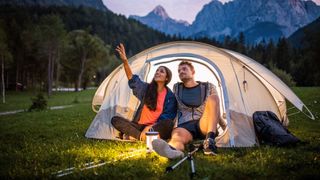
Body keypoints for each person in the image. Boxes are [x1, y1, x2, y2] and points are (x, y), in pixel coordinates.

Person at [152, 61, 222, 159]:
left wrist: (225, 128)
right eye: (179, 70)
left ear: (193, 72)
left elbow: (215, 108)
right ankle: (173, 151)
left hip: (203, 123)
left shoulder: (208, 87)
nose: (181, 72)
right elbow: (171, 107)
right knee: (177, 136)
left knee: (214, 98)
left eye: (184, 69)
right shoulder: (177, 88)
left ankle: (210, 142)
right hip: (185, 125)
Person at [111, 43, 177, 141]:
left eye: (161, 71)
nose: (157, 72)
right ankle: (142, 137)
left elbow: (168, 116)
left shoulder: (170, 96)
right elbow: (132, 80)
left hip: (155, 127)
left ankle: (136, 135)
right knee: (115, 120)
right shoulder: (147, 88)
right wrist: (125, 61)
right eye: (157, 70)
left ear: (167, 78)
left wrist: (151, 126)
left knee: (168, 123)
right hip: (139, 126)